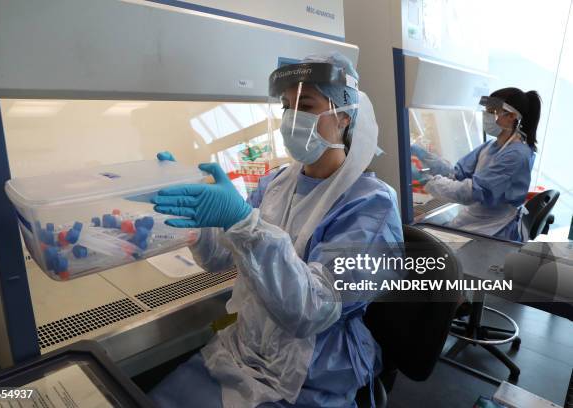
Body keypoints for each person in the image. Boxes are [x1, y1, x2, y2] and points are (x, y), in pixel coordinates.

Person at [148, 53, 403, 407]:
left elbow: (313, 309)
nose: (291, 118)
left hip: (312, 370)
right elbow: (223, 254)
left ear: (344, 115)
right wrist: (199, 216)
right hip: (242, 347)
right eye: (286, 106)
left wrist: (242, 221)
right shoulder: (276, 184)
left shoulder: (372, 206)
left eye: (306, 104)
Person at [422, 88, 541, 241]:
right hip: (475, 220)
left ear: (511, 116)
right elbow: (457, 173)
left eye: (492, 111)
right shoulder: (491, 146)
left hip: (494, 228)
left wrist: (429, 182)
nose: (486, 117)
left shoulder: (517, 155)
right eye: (486, 111)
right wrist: (426, 159)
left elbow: (473, 192)